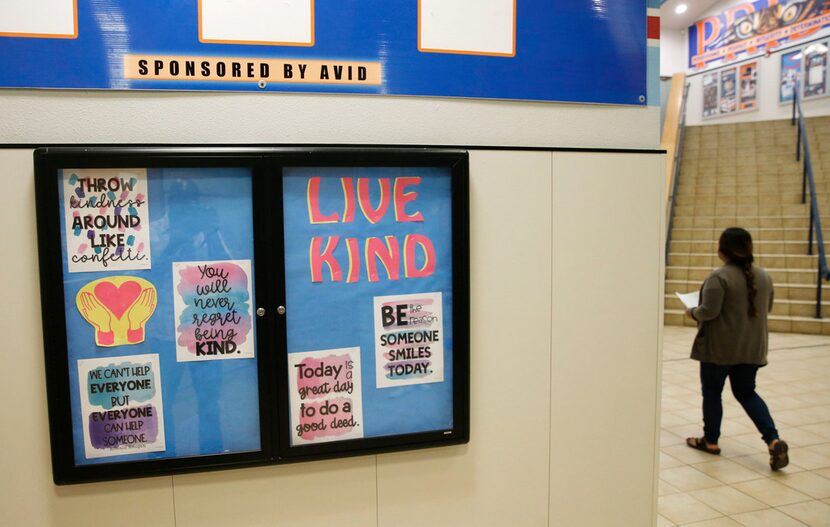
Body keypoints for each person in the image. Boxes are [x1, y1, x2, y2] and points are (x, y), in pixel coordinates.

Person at [684, 227, 789, 471]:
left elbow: (708, 311)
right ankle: (773, 440)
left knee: (712, 392)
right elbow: (767, 308)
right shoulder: (764, 276)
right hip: (751, 349)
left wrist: (691, 311)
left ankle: (710, 441)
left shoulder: (718, 277)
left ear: (722, 250)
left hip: (719, 349)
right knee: (747, 393)